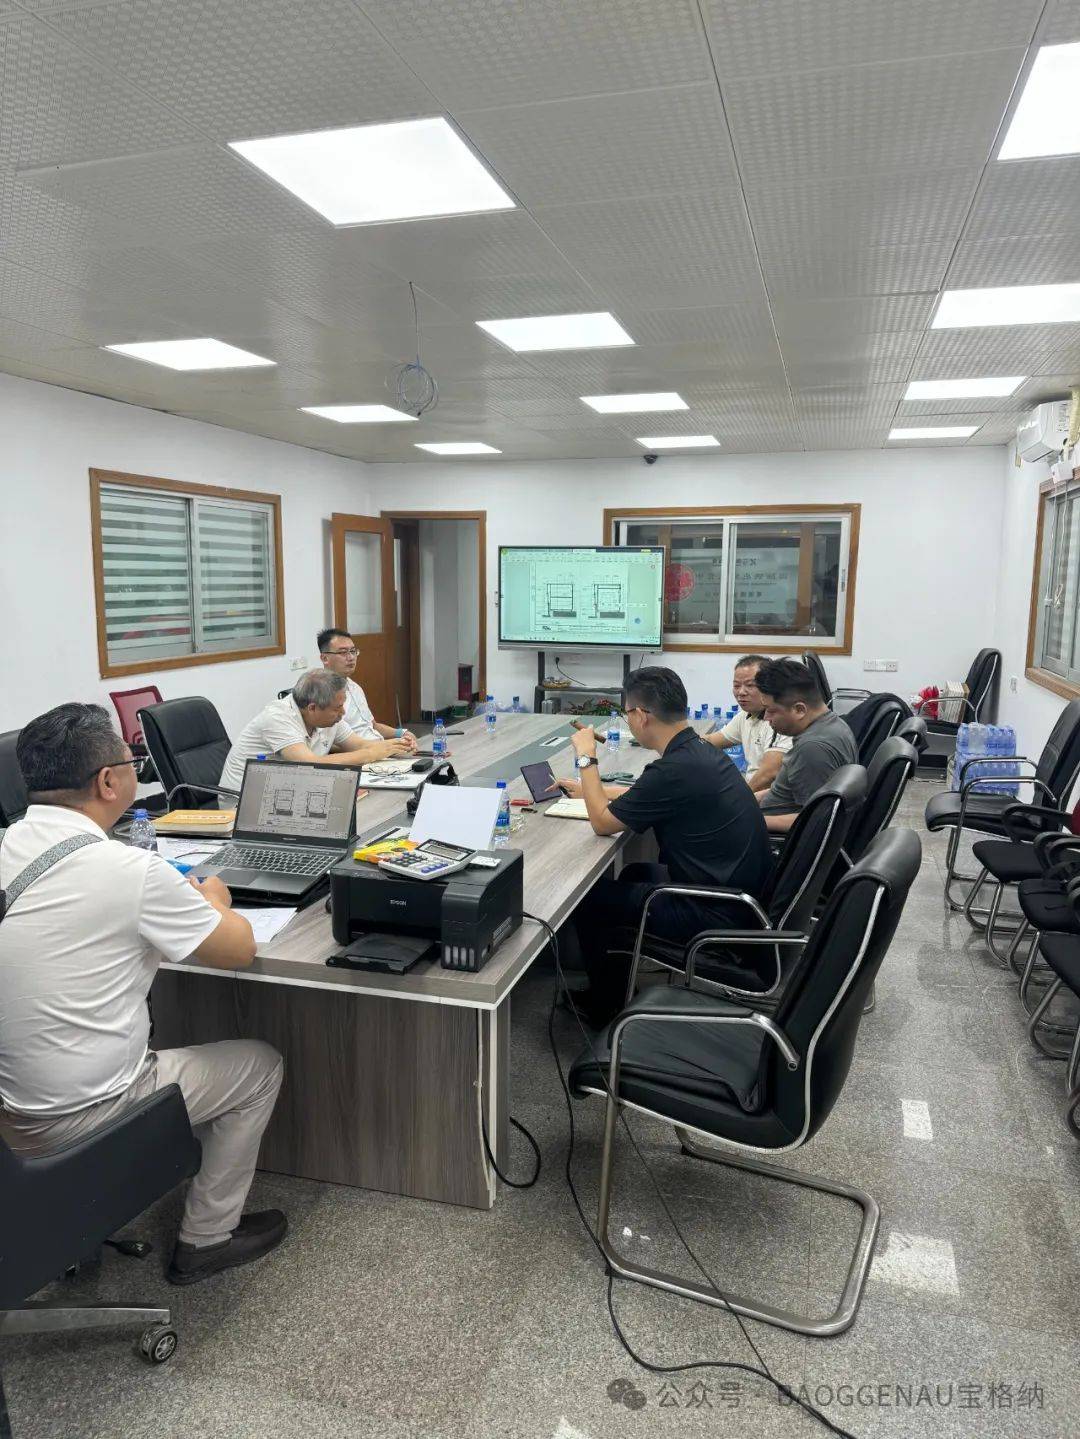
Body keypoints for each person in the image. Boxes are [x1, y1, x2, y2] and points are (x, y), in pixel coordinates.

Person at [0, 704, 286, 1285]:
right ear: (109, 782)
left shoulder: (8, 844)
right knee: (260, 1066)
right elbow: (238, 949)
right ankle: (208, 1238)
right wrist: (216, 901)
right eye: (132, 763)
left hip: (11, 1114)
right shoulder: (128, 870)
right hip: (77, 1117)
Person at [558, 666, 774, 1027]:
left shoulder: (674, 768)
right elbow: (652, 794)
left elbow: (602, 823)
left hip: (714, 913)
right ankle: (616, 986)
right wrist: (591, 790)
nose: (628, 721)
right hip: (739, 896)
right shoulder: (697, 751)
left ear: (641, 716)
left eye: (627, 713)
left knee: (589, 899)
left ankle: (604, 1008)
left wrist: (586, 758)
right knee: (634, 873)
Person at [220, 669, 412, 793]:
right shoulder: (277, 718)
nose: (343, 713)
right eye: (338, 708)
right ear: (312, 708)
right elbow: (310, 764)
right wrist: (370, 754)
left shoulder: (329, 716)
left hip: (289, 789)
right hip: (243, 800)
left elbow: (359, 744)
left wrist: (397, 746)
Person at [754, 658, 859, 834]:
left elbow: (816, 820)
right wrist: (753, 798)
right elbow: (793, 791)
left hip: (770, 838)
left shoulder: (812, 749)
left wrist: (751, 820)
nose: (766, 718)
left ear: (799, 710)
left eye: (771, 710)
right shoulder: (834, 724)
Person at [704, 653, 793, 792]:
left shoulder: (780, 720)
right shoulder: (746, 715)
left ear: (768, 685)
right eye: (736, 685)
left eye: (750, 685)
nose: (741, 692)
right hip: (751, 790)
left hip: (770, 797)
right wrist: (678, 743)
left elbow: (769, 774)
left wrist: (741, 799)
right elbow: (711, 740)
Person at [318, 627, 417, 750]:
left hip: (378, 748)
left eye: (353, 651)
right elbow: (324, 746)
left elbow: (372, 726)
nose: (351, 657)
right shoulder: (319, 694)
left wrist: (401, 733)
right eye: (343, 652)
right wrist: (380, 748)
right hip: (360, 755)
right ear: (324, 658)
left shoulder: (355, 687)